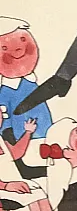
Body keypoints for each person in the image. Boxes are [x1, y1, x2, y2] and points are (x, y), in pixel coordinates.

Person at [0, 17, 54, 147]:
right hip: (24, 141)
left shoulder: (31, 83)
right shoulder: (6, 93)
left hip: (48, 136)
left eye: (23, 40)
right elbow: (4, 120)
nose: (18, 50)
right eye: (4, 48)